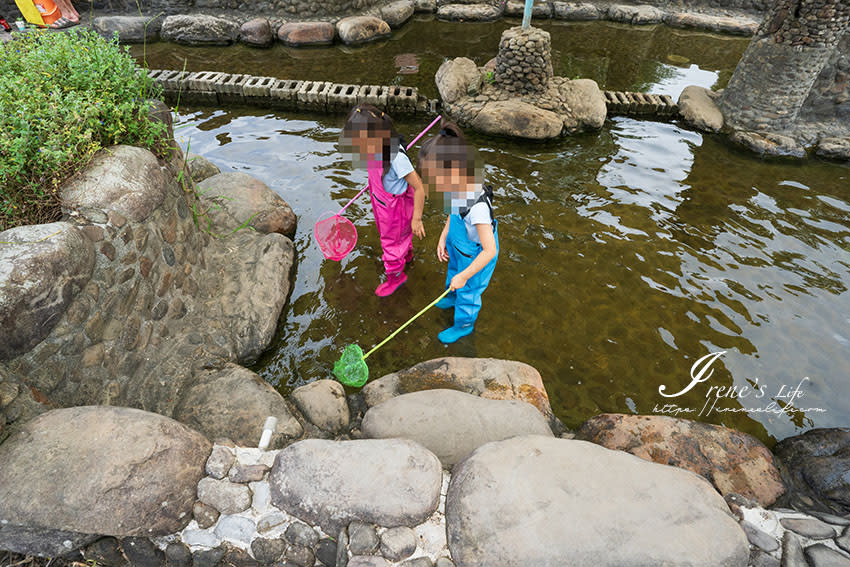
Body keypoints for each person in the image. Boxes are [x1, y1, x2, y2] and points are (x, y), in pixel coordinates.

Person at [419, 122, 498, 344]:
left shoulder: (478, 209)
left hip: (476, 255)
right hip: (458, 246)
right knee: (453, 272)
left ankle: (464, 324)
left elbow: (490, 250)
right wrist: (444, 236)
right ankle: (451, 295)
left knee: (469, 292)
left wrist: (465, 276)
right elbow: (453, 215)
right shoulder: (456, 188)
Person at [339, 104, 426, 296]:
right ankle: (407, 255)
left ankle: (396, 277)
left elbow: (419, 187)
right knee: (394, 237)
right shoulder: (373, 149)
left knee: (390, 242)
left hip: (396, 209)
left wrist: (416, 219)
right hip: (381, 204)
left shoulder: (396, 157)